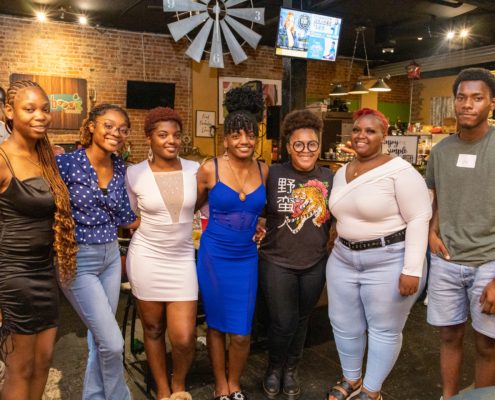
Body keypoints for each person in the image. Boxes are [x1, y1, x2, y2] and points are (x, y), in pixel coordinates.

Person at [325, 108, 431, 400]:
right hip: (343, 259)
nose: (362, 136)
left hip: (389, 259)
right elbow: (341, 209)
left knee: (384, 328)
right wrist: (337, 231)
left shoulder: (400, 171)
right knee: (343, 322)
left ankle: (371, 391)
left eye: (370, 131)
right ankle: (351, 379)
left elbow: (420, 217)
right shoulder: (342, 171)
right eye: (357, 129)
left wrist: (412, 269)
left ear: (384, 135)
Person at [0, 80, 77, 399]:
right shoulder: (2, 159)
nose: (40, 116)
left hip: (44, 274)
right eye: (29, 109)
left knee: (43, 362)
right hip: (12, 277)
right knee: (20, 369)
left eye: (45, 109)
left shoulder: (46, 156)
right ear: (9, 112)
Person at [56, 103, 138, 400]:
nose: (115, 133)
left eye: (122, 129)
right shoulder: (66, 164)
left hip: (111, 257)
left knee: (100, 339)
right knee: (113, 343)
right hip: (78, 259)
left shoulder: (120, 169)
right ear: (91, 126)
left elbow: (124, 217)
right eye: (108, 125)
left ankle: (93, 397)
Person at [426, 68, 495, 400]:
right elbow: (437, 197)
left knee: (487, 344)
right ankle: (449, 397)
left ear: (491, 103)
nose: (468, 104)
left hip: (490, 262)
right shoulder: (440, 151)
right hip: (447, 260)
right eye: (462, 97)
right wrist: (431, 229)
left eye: (477, 97)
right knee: (449, 337)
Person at [196, 86, 268, 400]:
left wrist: (261, 224)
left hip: (246, 258)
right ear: (226, 139)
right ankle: (221, 385)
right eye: (237, 135)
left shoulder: (265, 171)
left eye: (250, 135)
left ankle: (235, 381)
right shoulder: (209, 168)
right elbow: (193, 205)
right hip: (213, 255)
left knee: (241, 329)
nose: (244, 141)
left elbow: (263, 210)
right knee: (216, 324)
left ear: (256, 138)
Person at [259, 109, 333, 400]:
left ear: (319, 145)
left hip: (315, 262)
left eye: (312, 144)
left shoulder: (330, 177)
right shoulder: (272, 173)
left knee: (302, 319)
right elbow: (257, 210)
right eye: (298, 144)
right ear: (288, 147)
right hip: (276, 261)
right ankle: (274, 368)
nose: (306, 150)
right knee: (283, 320)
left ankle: (291, 369)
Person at [125, 107, 198, 400]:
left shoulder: (195, 169)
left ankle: (179, 385)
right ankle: (164, 391)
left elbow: (203, 208)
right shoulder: (134, 173)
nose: (171, 140)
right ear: (149, 138)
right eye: (162, 134)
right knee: (153, 329)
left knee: (183, 337)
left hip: (182, 259)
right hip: (146, 257)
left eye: (176, 135)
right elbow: (130, 216)